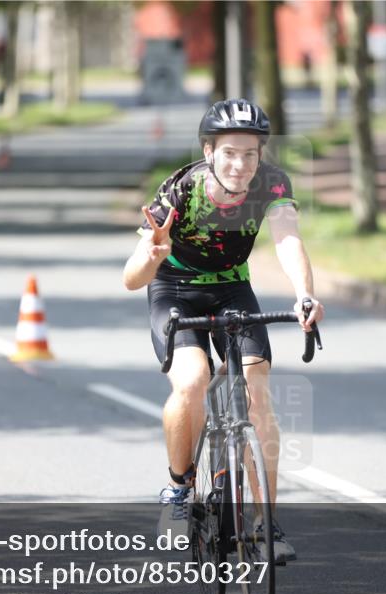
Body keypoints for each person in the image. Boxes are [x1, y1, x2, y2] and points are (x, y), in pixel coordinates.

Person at [122, 99, 325, 563]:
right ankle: (178, 489)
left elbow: (288, 238)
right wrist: (152, 257)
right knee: (193, 381)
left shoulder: (272, 184)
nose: (240, 164)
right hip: (174, 289)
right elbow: (130, 279)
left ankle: (264, 522)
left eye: (250, 154)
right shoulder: (180, 189)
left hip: (233, 288)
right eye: (230, 153)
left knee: (258, 393)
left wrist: (305, 294)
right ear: (209, 151)